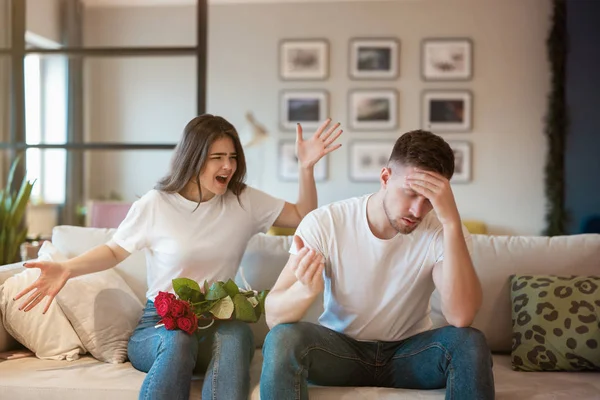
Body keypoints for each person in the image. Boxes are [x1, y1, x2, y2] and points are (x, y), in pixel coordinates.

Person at [13, 114, 344, 400]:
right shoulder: (157, 204)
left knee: (234, 338)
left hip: (222, 321)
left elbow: (304, 215)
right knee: (178, 342)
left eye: (232, 156)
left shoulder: (244, 201)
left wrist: (306, 167)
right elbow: (115, 249)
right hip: (158, 324)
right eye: (217, 157)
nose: (228, 165)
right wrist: (66, 268)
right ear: (194, 157)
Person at [260, 129, 495, 400]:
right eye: (410, 194)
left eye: (430, 200)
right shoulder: (326, 222)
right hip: (339, 351)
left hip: (409, 354)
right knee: (283, 340)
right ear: (385, 177)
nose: (417, 211)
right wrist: (304, 291)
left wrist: (451, 221)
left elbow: (461, 316)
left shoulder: (445, 229)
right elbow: (274, 318)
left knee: (470, 342)